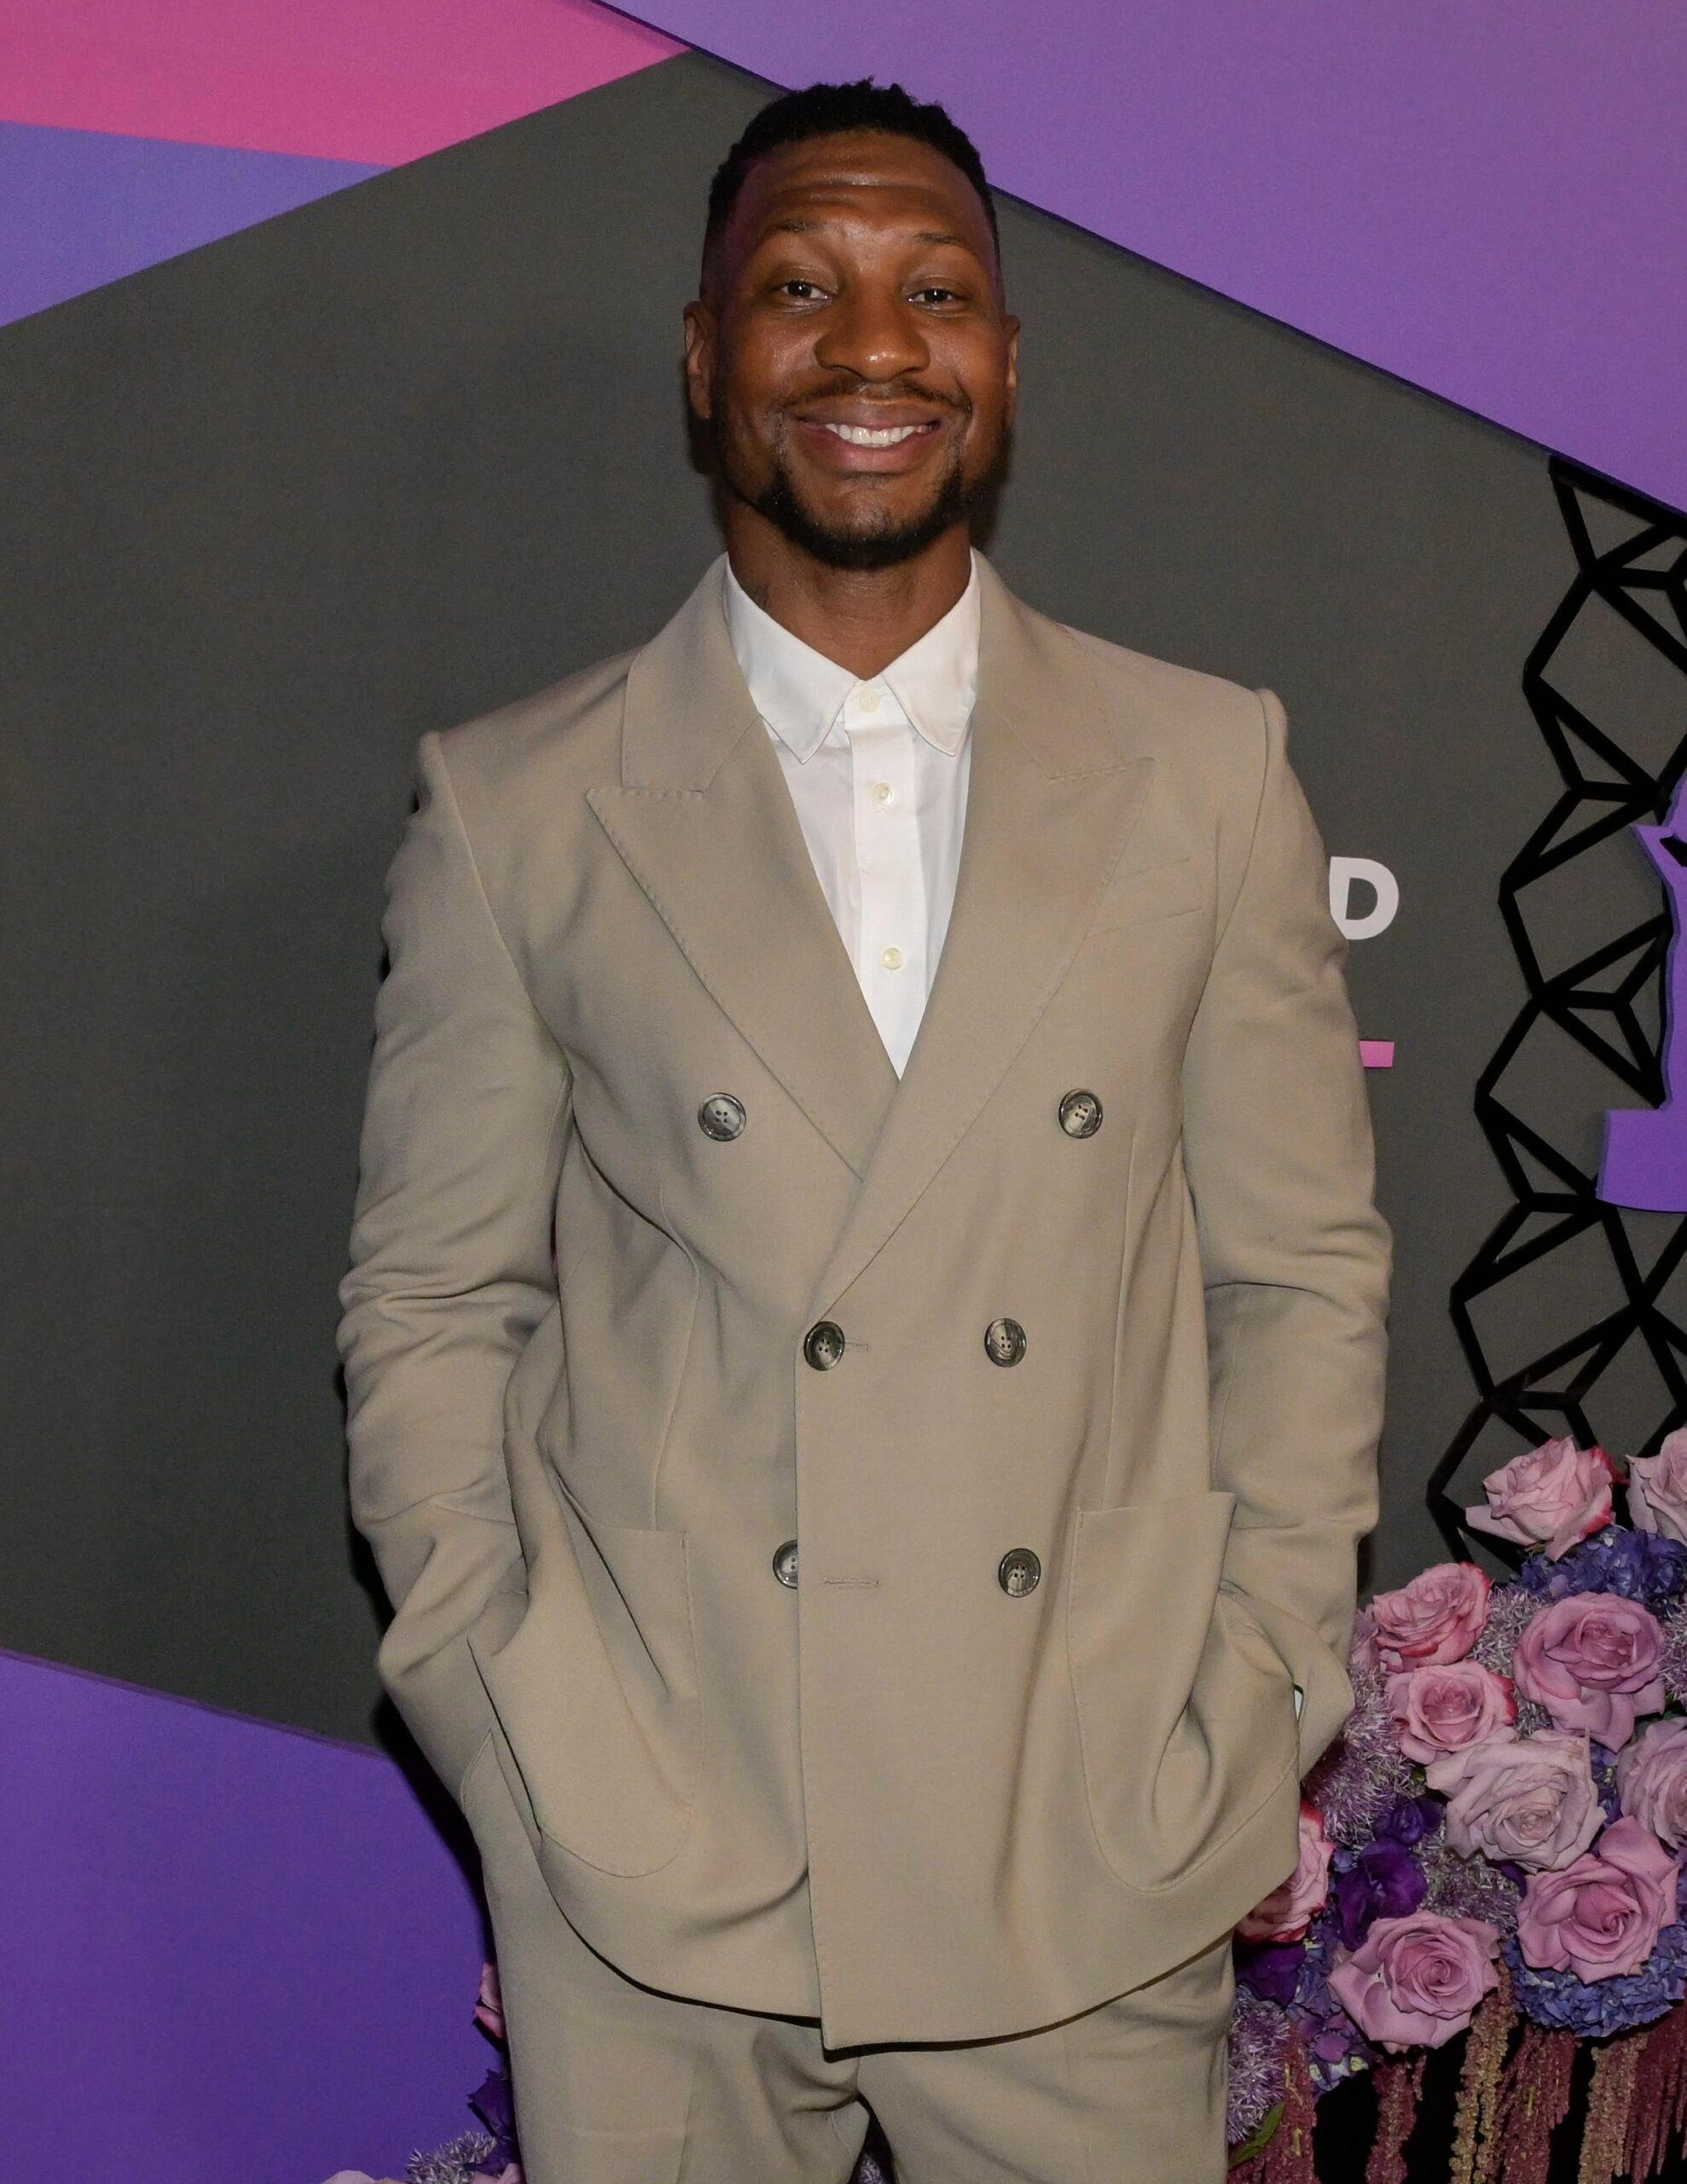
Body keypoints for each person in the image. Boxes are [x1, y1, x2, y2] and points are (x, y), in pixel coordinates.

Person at [338, 75, 1391, 2184]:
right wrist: (503, 1705)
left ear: (1003, 362)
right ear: (706, 359)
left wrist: (1256, 1689)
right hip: (657, 1852)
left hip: (1076, 1838)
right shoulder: (518, 801)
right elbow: (436, 1295)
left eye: (934, 289)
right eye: (797, 287)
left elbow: (1293, 1274)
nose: (871, 343)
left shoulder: (1201, 770)